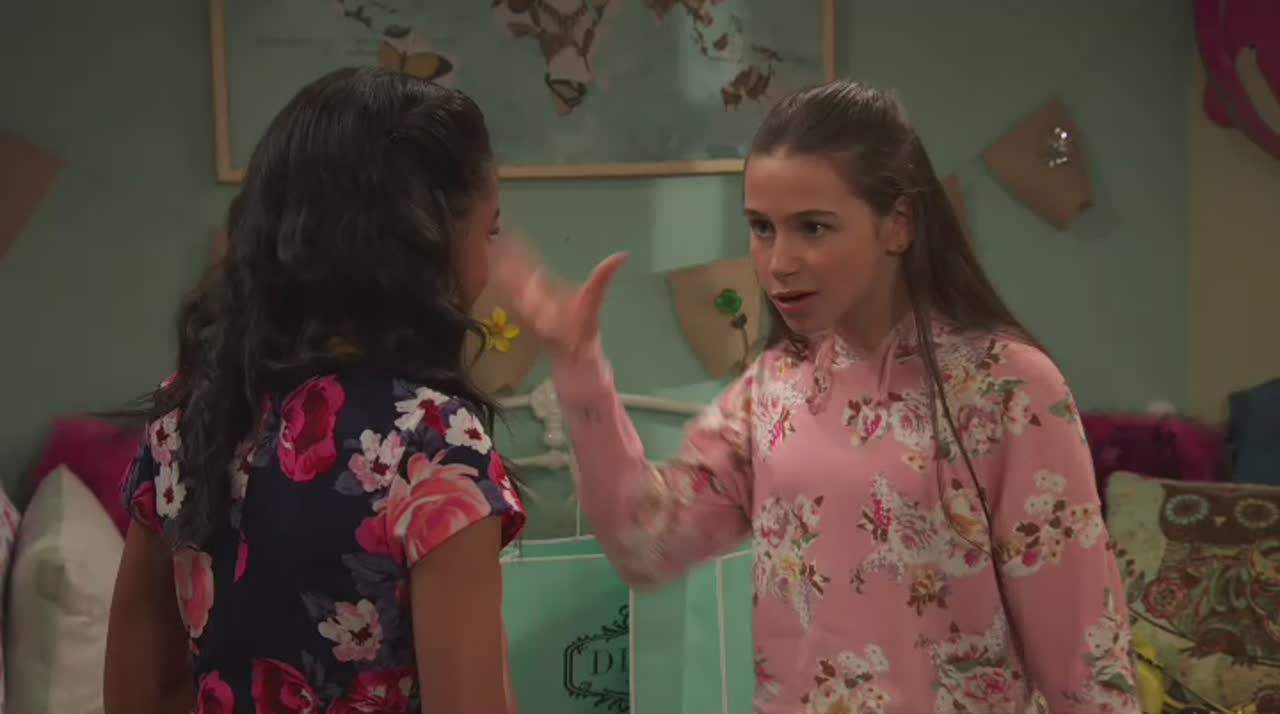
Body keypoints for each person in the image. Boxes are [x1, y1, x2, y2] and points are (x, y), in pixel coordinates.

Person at [491, 79, 1140, 713]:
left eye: (813, 228)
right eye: (762, 228)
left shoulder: (1009, 389)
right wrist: (579, 366)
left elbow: (1085, 670)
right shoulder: (771, 390)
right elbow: (645, 545)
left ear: (899, 223)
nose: (779, 262)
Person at [104, 67, 525, 714]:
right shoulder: (433, 444)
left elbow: (138, 694)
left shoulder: (189, 414)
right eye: (489, 231)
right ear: (428, 240)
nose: (489, 265)